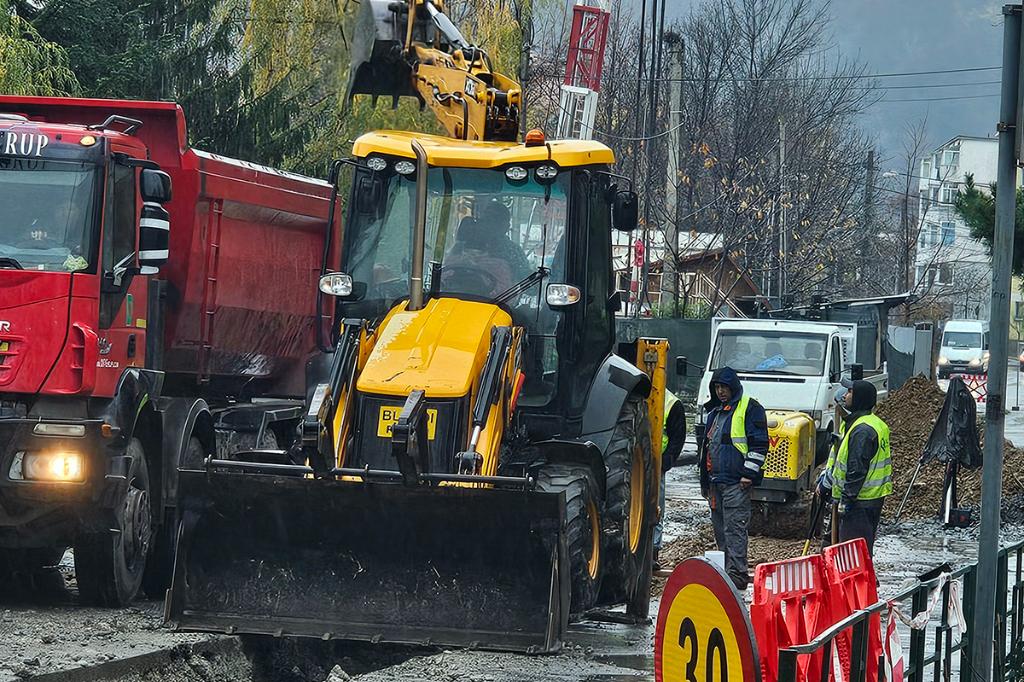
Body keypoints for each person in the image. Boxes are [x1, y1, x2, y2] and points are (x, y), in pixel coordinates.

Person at [699, 366, 768, 591]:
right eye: (717, 387)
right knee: (721, 530)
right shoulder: (715, 413)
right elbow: (706, 449)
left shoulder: (750, 408)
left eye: (724, 387)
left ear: (733, 387)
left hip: (736, 482)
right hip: (716, 482)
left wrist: (748, 474)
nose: (720, 391)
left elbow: (759, 443)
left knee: (734, 530)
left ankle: (737, 574)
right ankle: (726, 573)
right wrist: (705, 482)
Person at [817, 379, 892, 554]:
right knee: (857, 550)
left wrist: (846, 500)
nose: (845, 395)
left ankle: (858, 582)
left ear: (859, 398)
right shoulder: (869, 423)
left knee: (853, 555)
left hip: (859, 502)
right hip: (869, 500)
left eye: (849, 392)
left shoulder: (862, 430)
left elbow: (856, 470)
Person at [653, 389, 687, 570]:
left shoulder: (671, 403)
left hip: (657, 464)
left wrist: (666, 460)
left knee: (655, 508)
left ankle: (653, 551)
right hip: (635, 460)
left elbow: (677, 437)